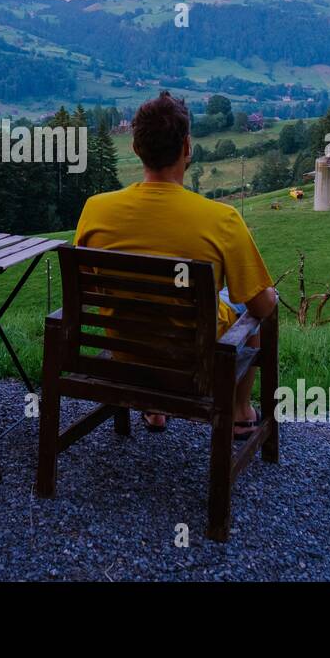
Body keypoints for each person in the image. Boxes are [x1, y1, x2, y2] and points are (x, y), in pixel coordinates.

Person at [74, 91, 278, 436]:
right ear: (187, 147)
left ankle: (154, 408)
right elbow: (260, 304)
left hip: (125, 356)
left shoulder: (95, 209)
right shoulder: (222, 219)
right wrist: (269, 296)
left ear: (137, 148)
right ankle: (240, 413)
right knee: (251, 303)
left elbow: (90, 288)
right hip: (192, 364)